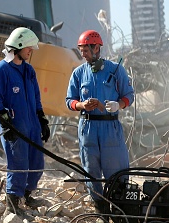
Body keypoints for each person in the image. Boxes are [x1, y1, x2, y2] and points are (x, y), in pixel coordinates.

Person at [66, 30, 134, 216]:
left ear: (97, 48)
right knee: (91, 169)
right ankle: (100, 208)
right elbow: (69, 101)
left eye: (86, 50)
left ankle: (118, 208)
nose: (83, 54)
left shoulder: (116, 70)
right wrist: (82, 105)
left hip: (110, 127)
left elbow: (129, 95)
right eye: (81, 50)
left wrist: (117, 104)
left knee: (116, 169)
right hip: (88, 128)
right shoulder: (78, 73)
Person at [0, 27, 50, 217]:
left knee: (36, 161)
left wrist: (42, 119)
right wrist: (5, 123)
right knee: (18, 162)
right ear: (19, 46)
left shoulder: (29, 70)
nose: (31, 51)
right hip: (14, 124)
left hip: (32, 123)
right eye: (29, 48)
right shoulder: (2, 69)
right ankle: (12, 203)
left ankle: (27, 196)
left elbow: (36, 97)